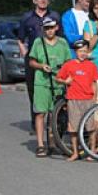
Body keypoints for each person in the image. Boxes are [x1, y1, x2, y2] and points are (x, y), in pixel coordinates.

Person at [27, 17, 71, 157]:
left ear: (56, 27)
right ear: (43, 29)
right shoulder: (38, 42)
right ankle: (40, 145)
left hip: (58, 83)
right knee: (40, 113)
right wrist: (41, 66)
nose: (49, 31)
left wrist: (65, 74)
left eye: (51, 27)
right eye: (46, 28)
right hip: (42, 83)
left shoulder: (62, 43)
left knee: (54, 115)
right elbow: (31, 62)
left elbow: (68, 62)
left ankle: (52, 144)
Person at [18, 0, 60, 121]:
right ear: (34, 0)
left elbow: (61, 37)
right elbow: (20, 39)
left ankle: (54, 124)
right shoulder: (27, 18)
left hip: (52, 58)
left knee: (55, 89)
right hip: (34, 59)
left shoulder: (54, 16)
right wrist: (25, 53)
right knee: (33, 91)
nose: (43, 0)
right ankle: (37, 122)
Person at [56, 39, 98, 161]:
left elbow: (94, 83)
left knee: (91, 127)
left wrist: (95, 98)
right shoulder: (69, 65)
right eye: (80, 51)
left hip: (88, 99)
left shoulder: (91, 65)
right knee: (73, 127)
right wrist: (65, 81)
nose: (83, 53)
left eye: (85, 51)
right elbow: (58, 78)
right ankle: (75, 152)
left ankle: (92, 151)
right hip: (73, 99)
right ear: (75, 52)